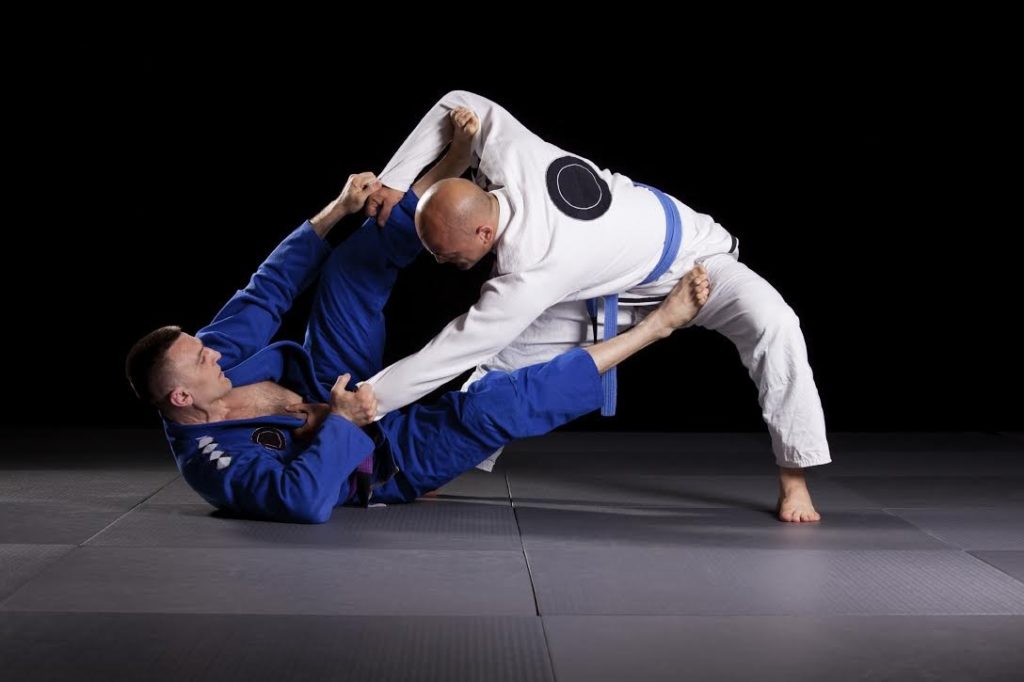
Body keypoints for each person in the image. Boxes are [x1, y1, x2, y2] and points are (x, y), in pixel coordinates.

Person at [124, 121, 711, 524]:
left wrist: (340, 209)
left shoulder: (213, 352)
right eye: (202, 360)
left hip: (331, 382)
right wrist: (344, 425)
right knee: (494, 406)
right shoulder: (211, 465)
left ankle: (440, 181)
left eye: (206, 347)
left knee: (349, 274)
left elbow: (268, 289)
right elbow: (302, 500)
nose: (215, 352)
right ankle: (654, 328)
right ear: (181, 396)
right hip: (380, 455)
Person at [362, 91, 829, 523]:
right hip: (593, 286)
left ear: (483, 232)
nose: (440, 262)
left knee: (776, 323)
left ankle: (795, 479)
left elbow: (448, 351)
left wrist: (368, 400)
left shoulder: (531, 271)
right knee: (503, 367)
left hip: (695, 260)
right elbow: (461, 102)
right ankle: (444, 461)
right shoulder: (520, 161)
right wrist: (394, 181)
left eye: (444, 253)